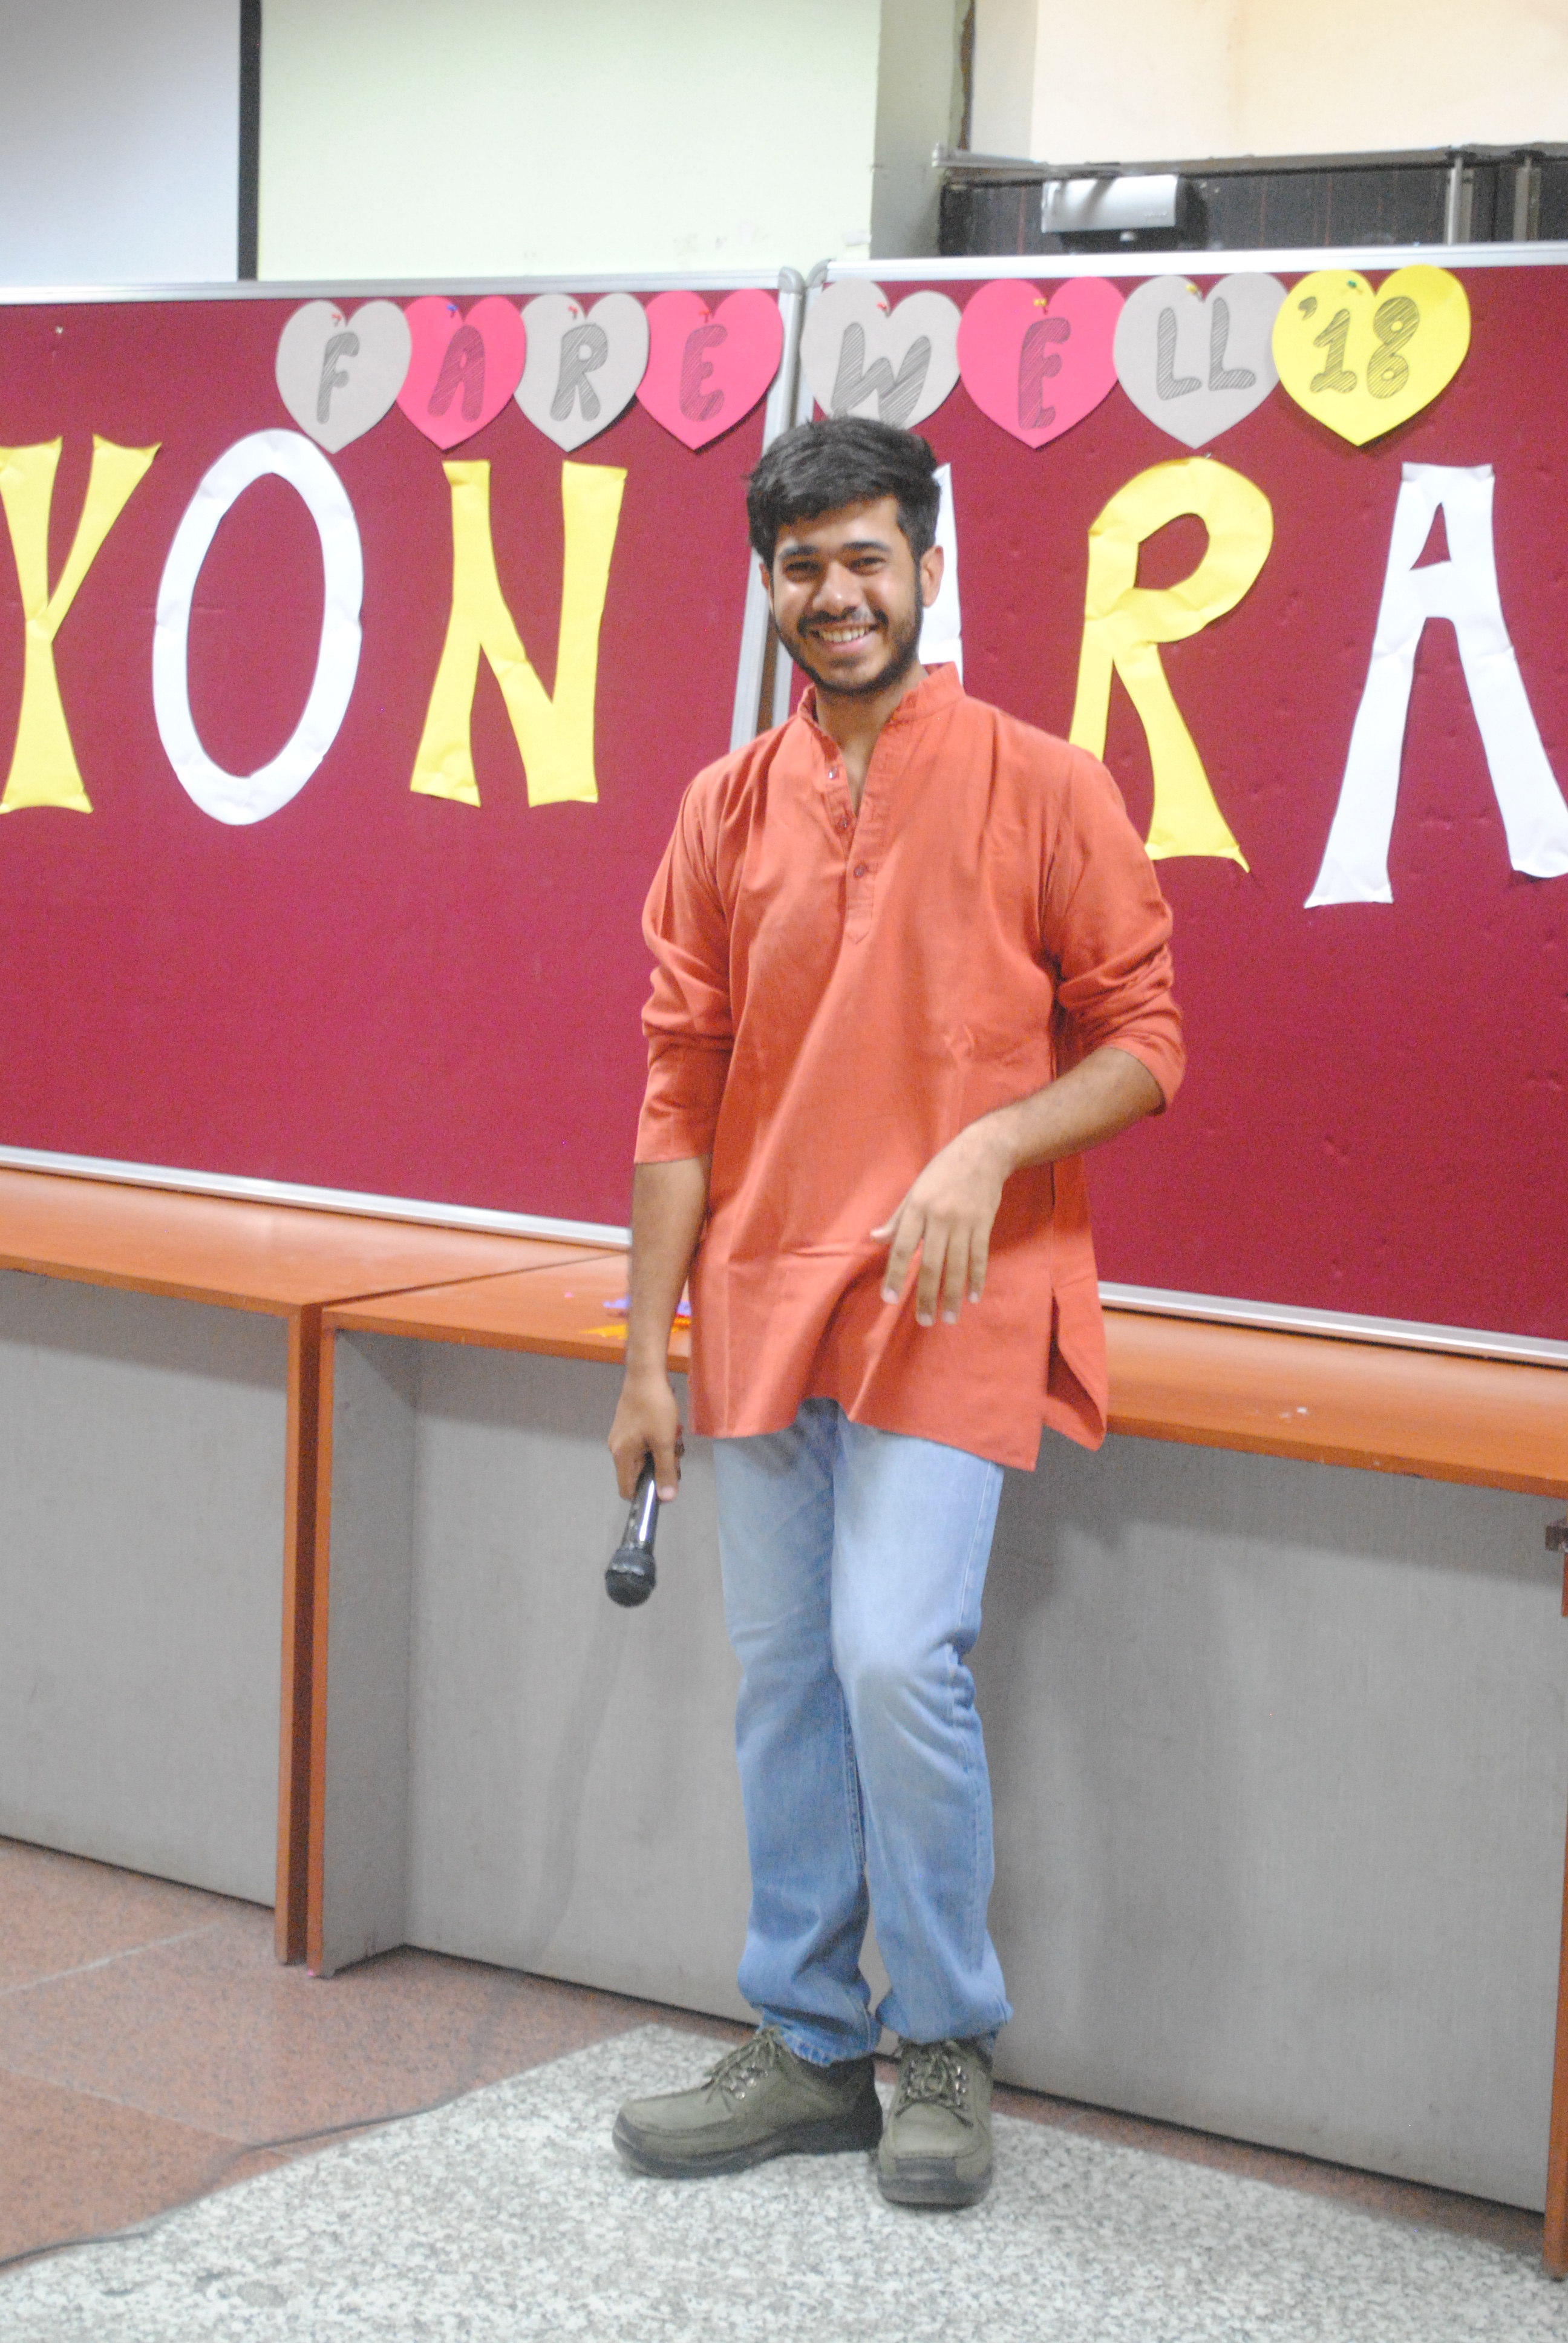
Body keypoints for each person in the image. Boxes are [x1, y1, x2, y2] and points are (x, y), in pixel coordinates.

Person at [607, 416, 1184, 2209]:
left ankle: (940, 2039)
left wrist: (989, 1146)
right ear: (770, 586)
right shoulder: (723, 808)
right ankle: (805, 2042)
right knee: (785, 1682)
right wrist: (642, 1358)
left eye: (868, 558)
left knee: (889, 1659)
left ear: (929, 570)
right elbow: (679, 1087)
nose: (836, 593)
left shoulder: (1046, 785)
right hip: (758, 1300)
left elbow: (1148, 1042)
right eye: (803, 566)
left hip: (955, 1296)